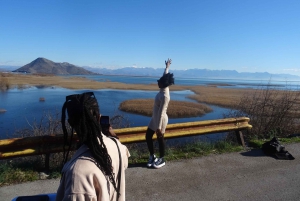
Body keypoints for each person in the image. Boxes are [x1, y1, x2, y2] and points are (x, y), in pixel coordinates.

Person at [56, 92, 130, 201]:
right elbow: (124, 157)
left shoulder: (77, 173)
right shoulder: (117, 147)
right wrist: (114, 137)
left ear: (70, 123)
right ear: (99, 117)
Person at [146, 58, 174, 169]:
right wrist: (167, 67)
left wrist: (158, 127)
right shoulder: (163, 88)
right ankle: (152, 156)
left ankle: (161, 159)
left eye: (159, 82)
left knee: (160, 138)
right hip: (155, 118)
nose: (158, 82)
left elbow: (162, 113)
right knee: (148, 136)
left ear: (163, 84)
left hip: (160, 120)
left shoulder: (165, 96)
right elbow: (165, 75)